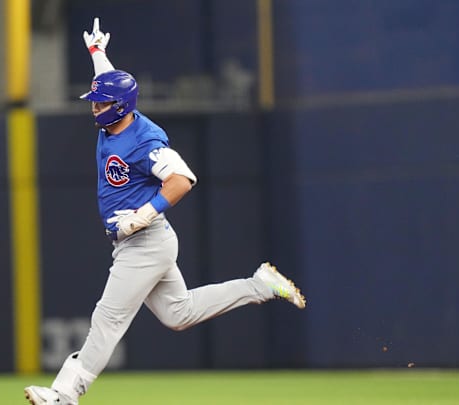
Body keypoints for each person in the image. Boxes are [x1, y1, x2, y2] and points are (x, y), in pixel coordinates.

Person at [24, 18, 305, 405]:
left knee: (108, 319)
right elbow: (109, 84)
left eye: (101, 103)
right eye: (95, 102)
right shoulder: (114, 123)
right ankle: (260, 285)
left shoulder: (145, 140)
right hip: (139, 243)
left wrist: (144, 214)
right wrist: (97, 53)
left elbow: (183, 178)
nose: (95, 108)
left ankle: (65, 393)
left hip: (146, 242)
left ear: (119, 106)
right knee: (179, 313)